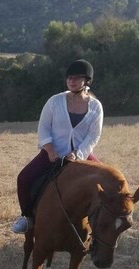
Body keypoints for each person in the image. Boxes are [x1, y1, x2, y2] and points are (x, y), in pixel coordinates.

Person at [11, 59, 103, 234]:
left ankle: (100, 221)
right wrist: (51, 150)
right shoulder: (55, 101)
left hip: (81, 155)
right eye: (69, 77)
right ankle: (27, 218)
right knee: (23, 178)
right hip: (52, 153)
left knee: (106, 177)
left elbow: (93, 135)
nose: (72, 81)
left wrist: (78, 153)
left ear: (87, 81)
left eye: (77, 77)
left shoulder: (96, 106)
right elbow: (43, 128)